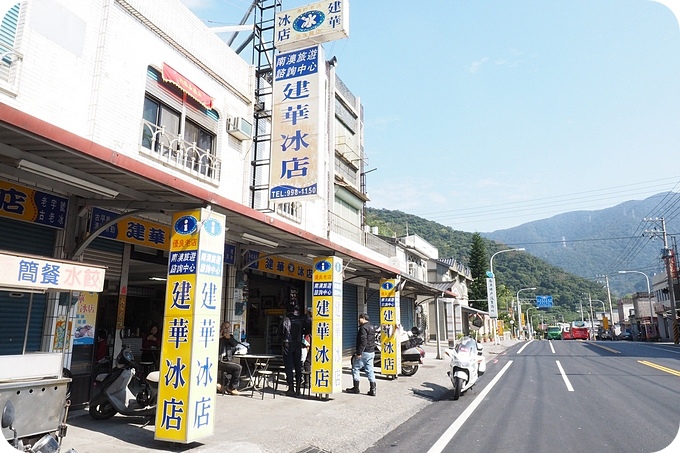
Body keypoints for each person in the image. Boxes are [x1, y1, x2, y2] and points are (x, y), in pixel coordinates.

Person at [345, 313, 377, 396]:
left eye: (359, 318)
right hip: (371, 352)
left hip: (364, 352)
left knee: (355, 368)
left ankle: (356, 388)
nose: (358, 320)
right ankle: (373, 389)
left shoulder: (363, 328)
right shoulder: (372, 327)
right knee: (370, 370)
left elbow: (363, 341)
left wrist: (359, 352)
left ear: (363, 318)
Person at [281, 308, 305, 397]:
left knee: (289, 367)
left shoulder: (286, 319)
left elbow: (281, 331)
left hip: (288, 345)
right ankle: (298, 389)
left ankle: (291, 388)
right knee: (298, 366)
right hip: (298, 344)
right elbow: (306, 329)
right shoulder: (301, 320)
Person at [217, 322, 242, 395]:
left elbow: (234, 344)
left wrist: (229, 338)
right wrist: (220, 336)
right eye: (225, 327)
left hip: (227, 360)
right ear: (221, 327)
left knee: (236, 368)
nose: (226, 329)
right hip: (219, 360)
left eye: (228, 328)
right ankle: (231, 388)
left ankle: (225, 386)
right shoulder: (216, 336)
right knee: (238, 367)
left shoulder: (229, 337)